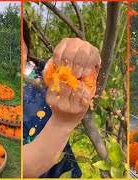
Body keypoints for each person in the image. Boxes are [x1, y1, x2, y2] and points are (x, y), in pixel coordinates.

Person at [22, 20, 101, 178]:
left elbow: (88, 94)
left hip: (66, 172)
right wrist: (62, 123)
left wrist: (85, 61)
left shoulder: (42, 72)